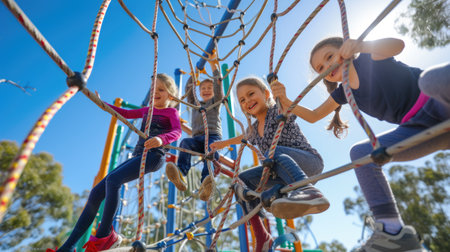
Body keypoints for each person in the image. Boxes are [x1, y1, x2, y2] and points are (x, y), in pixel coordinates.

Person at [271, 36, 450, 251]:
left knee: (429, 79)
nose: (327, 67)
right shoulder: (344, 92)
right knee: (361, 153)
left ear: (345, 50)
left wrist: (362, 45)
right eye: (320, 68)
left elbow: (398, 45)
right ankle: (392, 230)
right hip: (420, 129)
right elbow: (314, 115)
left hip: (437, 99)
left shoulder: (369, 59)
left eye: (329, 57)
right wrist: (285, 100)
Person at [47, 73, 182, 252]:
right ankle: (68, 247)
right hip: (138, 156)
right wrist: (102, 104)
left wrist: (161, 139)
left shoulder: (171, 112)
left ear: (170, 95)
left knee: (113, 181)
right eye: (153, 89)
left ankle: (104, 235)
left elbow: (177, 131)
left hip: (154, 156)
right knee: (95, 194)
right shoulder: (147, 110)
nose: (155, 92)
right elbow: (125, 113)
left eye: (161, 90)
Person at [210, 76, 329, 252]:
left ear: (266, 93)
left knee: (272, 153)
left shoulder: (278, 110)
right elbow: (241, 138)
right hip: (282, 173)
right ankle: (262, 236)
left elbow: (290, 107)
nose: (247, 101)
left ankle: (309, 192)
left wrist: (283, 96)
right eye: (242, 100)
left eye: (251, 94)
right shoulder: (254, 128)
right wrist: (223, 144)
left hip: (308, 163)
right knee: (241, 181)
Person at [166, 52, 224, 201]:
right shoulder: (196, 104)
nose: (206, 90)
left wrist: (213, 65)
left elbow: (218, 87)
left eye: (209, 88)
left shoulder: (215, 103)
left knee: (212, 150)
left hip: (212, 136)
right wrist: (195, 73)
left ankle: (206, 182)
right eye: (203, 88)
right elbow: (188, 91)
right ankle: (181, 174)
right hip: (197, 138)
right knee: (185, 143)